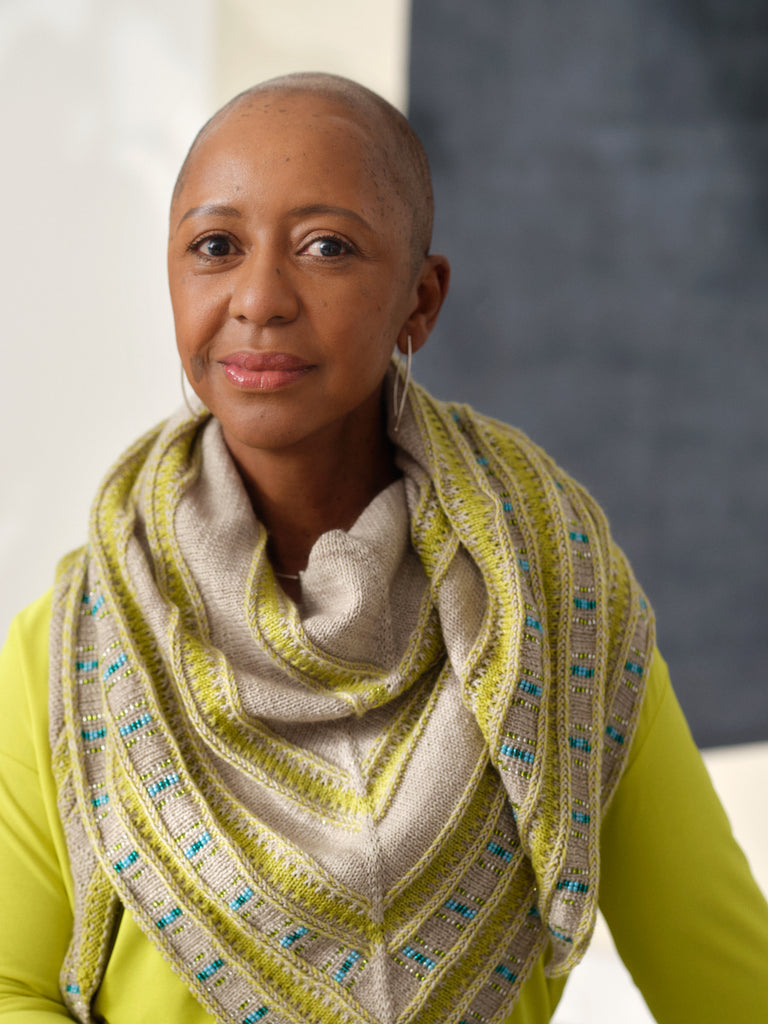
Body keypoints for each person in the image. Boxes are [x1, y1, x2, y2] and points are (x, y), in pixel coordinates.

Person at [0, 72, 766, 1024]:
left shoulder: (560, 612)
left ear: (421, 299)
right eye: (215, 246)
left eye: (326, 247)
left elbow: (729, 992)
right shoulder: (75, 647)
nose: (259, 299)